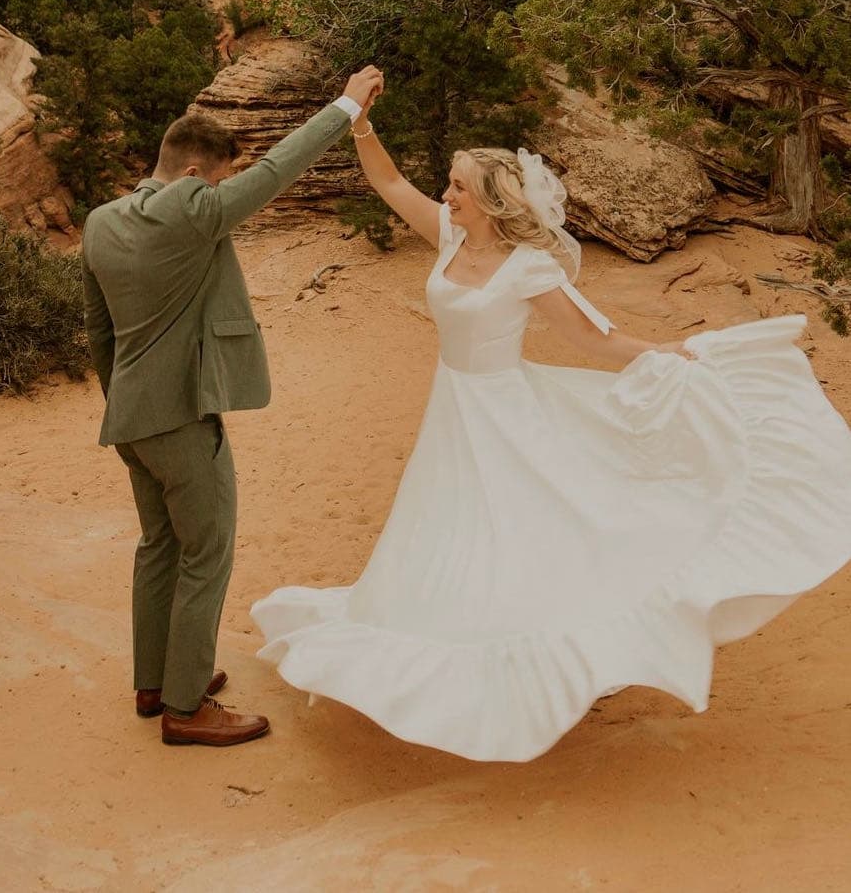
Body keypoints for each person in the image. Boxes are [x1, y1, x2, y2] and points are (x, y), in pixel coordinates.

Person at [251, 97, 851, 762]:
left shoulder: (528, 268)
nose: (445, 195)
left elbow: (594, 337)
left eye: (457, 187)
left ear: (489, 200)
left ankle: (552, 653)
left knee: (533, 523)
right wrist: (359, 121)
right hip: (455, 410)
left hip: (510, 414)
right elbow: (389, 183)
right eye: (448, 185)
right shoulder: (447, 236)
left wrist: (669, 353)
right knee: (450, 525)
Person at [81, 66, 382, 747]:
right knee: (206, 554)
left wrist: (127, 404)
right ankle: (186, 709)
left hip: (130, 416)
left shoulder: (100, 223)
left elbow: (99, 334)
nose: (220, 196)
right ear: (194, 171)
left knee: (159, 546)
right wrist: (345, 105)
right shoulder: (189, 207)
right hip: (181, 419)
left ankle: (155, 681)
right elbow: (277, 170)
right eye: (217, 182)